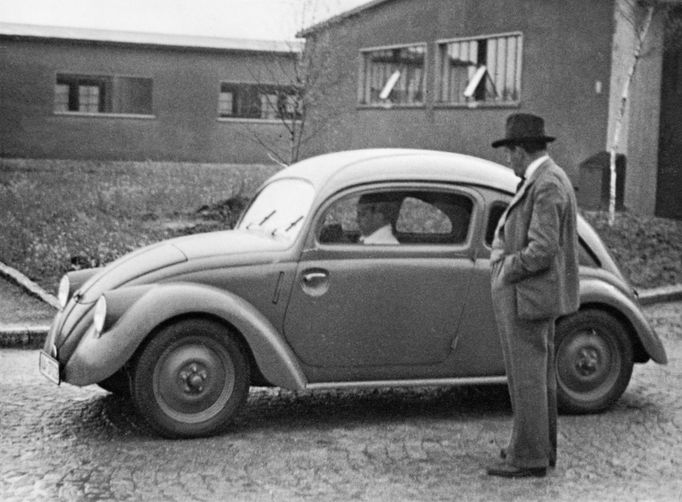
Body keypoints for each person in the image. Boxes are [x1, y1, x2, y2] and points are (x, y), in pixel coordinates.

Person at [487, 113, 580, 478]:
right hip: (532, 296)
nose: (507, 159)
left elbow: (542, 249)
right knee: (536, 379)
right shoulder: (545, 179)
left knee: (527, 379)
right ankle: (536, 448)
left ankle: (528, 457)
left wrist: (507, 267)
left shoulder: (547, 184)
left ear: (521, 151)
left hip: (528, 297)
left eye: (509, 151)